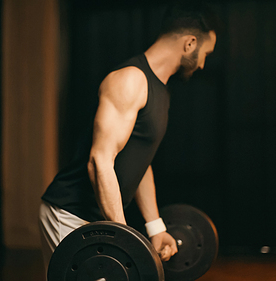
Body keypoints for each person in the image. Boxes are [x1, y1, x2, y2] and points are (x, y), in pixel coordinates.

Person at [39, 1, 220, 278]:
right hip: (71, 214)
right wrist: (124, 241)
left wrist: (155, 227)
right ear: (190, 43)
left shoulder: (160, 90)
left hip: (97, 218)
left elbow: (140, 161)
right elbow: (99, 161)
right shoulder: (130, 80)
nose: (203, 64)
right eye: (205, 53)